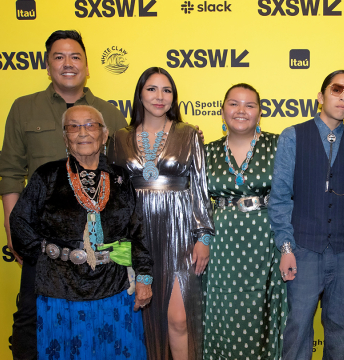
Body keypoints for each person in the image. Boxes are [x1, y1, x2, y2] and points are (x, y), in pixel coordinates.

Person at [0, 30, 128, 360]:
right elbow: (11, 174)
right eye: (59, 57)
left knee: (99, 321)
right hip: (44, 240)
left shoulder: (110, 114)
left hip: (97, 243)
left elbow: (127, 175)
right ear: (47, 65)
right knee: (31, 319)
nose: (67, 63)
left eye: (75, 57)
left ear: (86, 66)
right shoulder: (24, 108)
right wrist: (14, 229)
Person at [10, 105, 152, 359]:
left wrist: (144, 278)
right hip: (59, 290)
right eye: (73, 127)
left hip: (115, 287)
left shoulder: (120, 178)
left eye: (90, 125)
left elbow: (136, 232)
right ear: (65, 138)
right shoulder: (47, 176)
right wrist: (46, 258)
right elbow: (20, 222)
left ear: (104, 135)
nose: (82, 132)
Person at [108, 67, 214, 360]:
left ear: (174, 97)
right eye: (152, 89)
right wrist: (116, 243)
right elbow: (114, 195)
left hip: (178, 231)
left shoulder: (189, 133)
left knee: (179, 320)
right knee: (139, 321)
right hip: (135, 235)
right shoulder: (118, 138)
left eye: (167, 90)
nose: (159, 96)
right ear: (140, 94)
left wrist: (203, 235)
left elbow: (200, 188)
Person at [269, 70, 344, 360]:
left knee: (339, 331)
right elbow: (280, 199)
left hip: (343, 251)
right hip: (303, 251)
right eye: (337, 89)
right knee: (298, 330)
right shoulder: (293, 136)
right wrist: (286, 248)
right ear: (320, 96)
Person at [203, 83, 287, 360]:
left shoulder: (280, 145)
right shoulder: (205, 152)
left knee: (264, 309)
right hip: (221, 243)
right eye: (234, 104)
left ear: (260, 112)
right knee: (224, 310)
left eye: (249, 105)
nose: (241, 110)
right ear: (222, 110)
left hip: (268, 238)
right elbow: (197, 203)